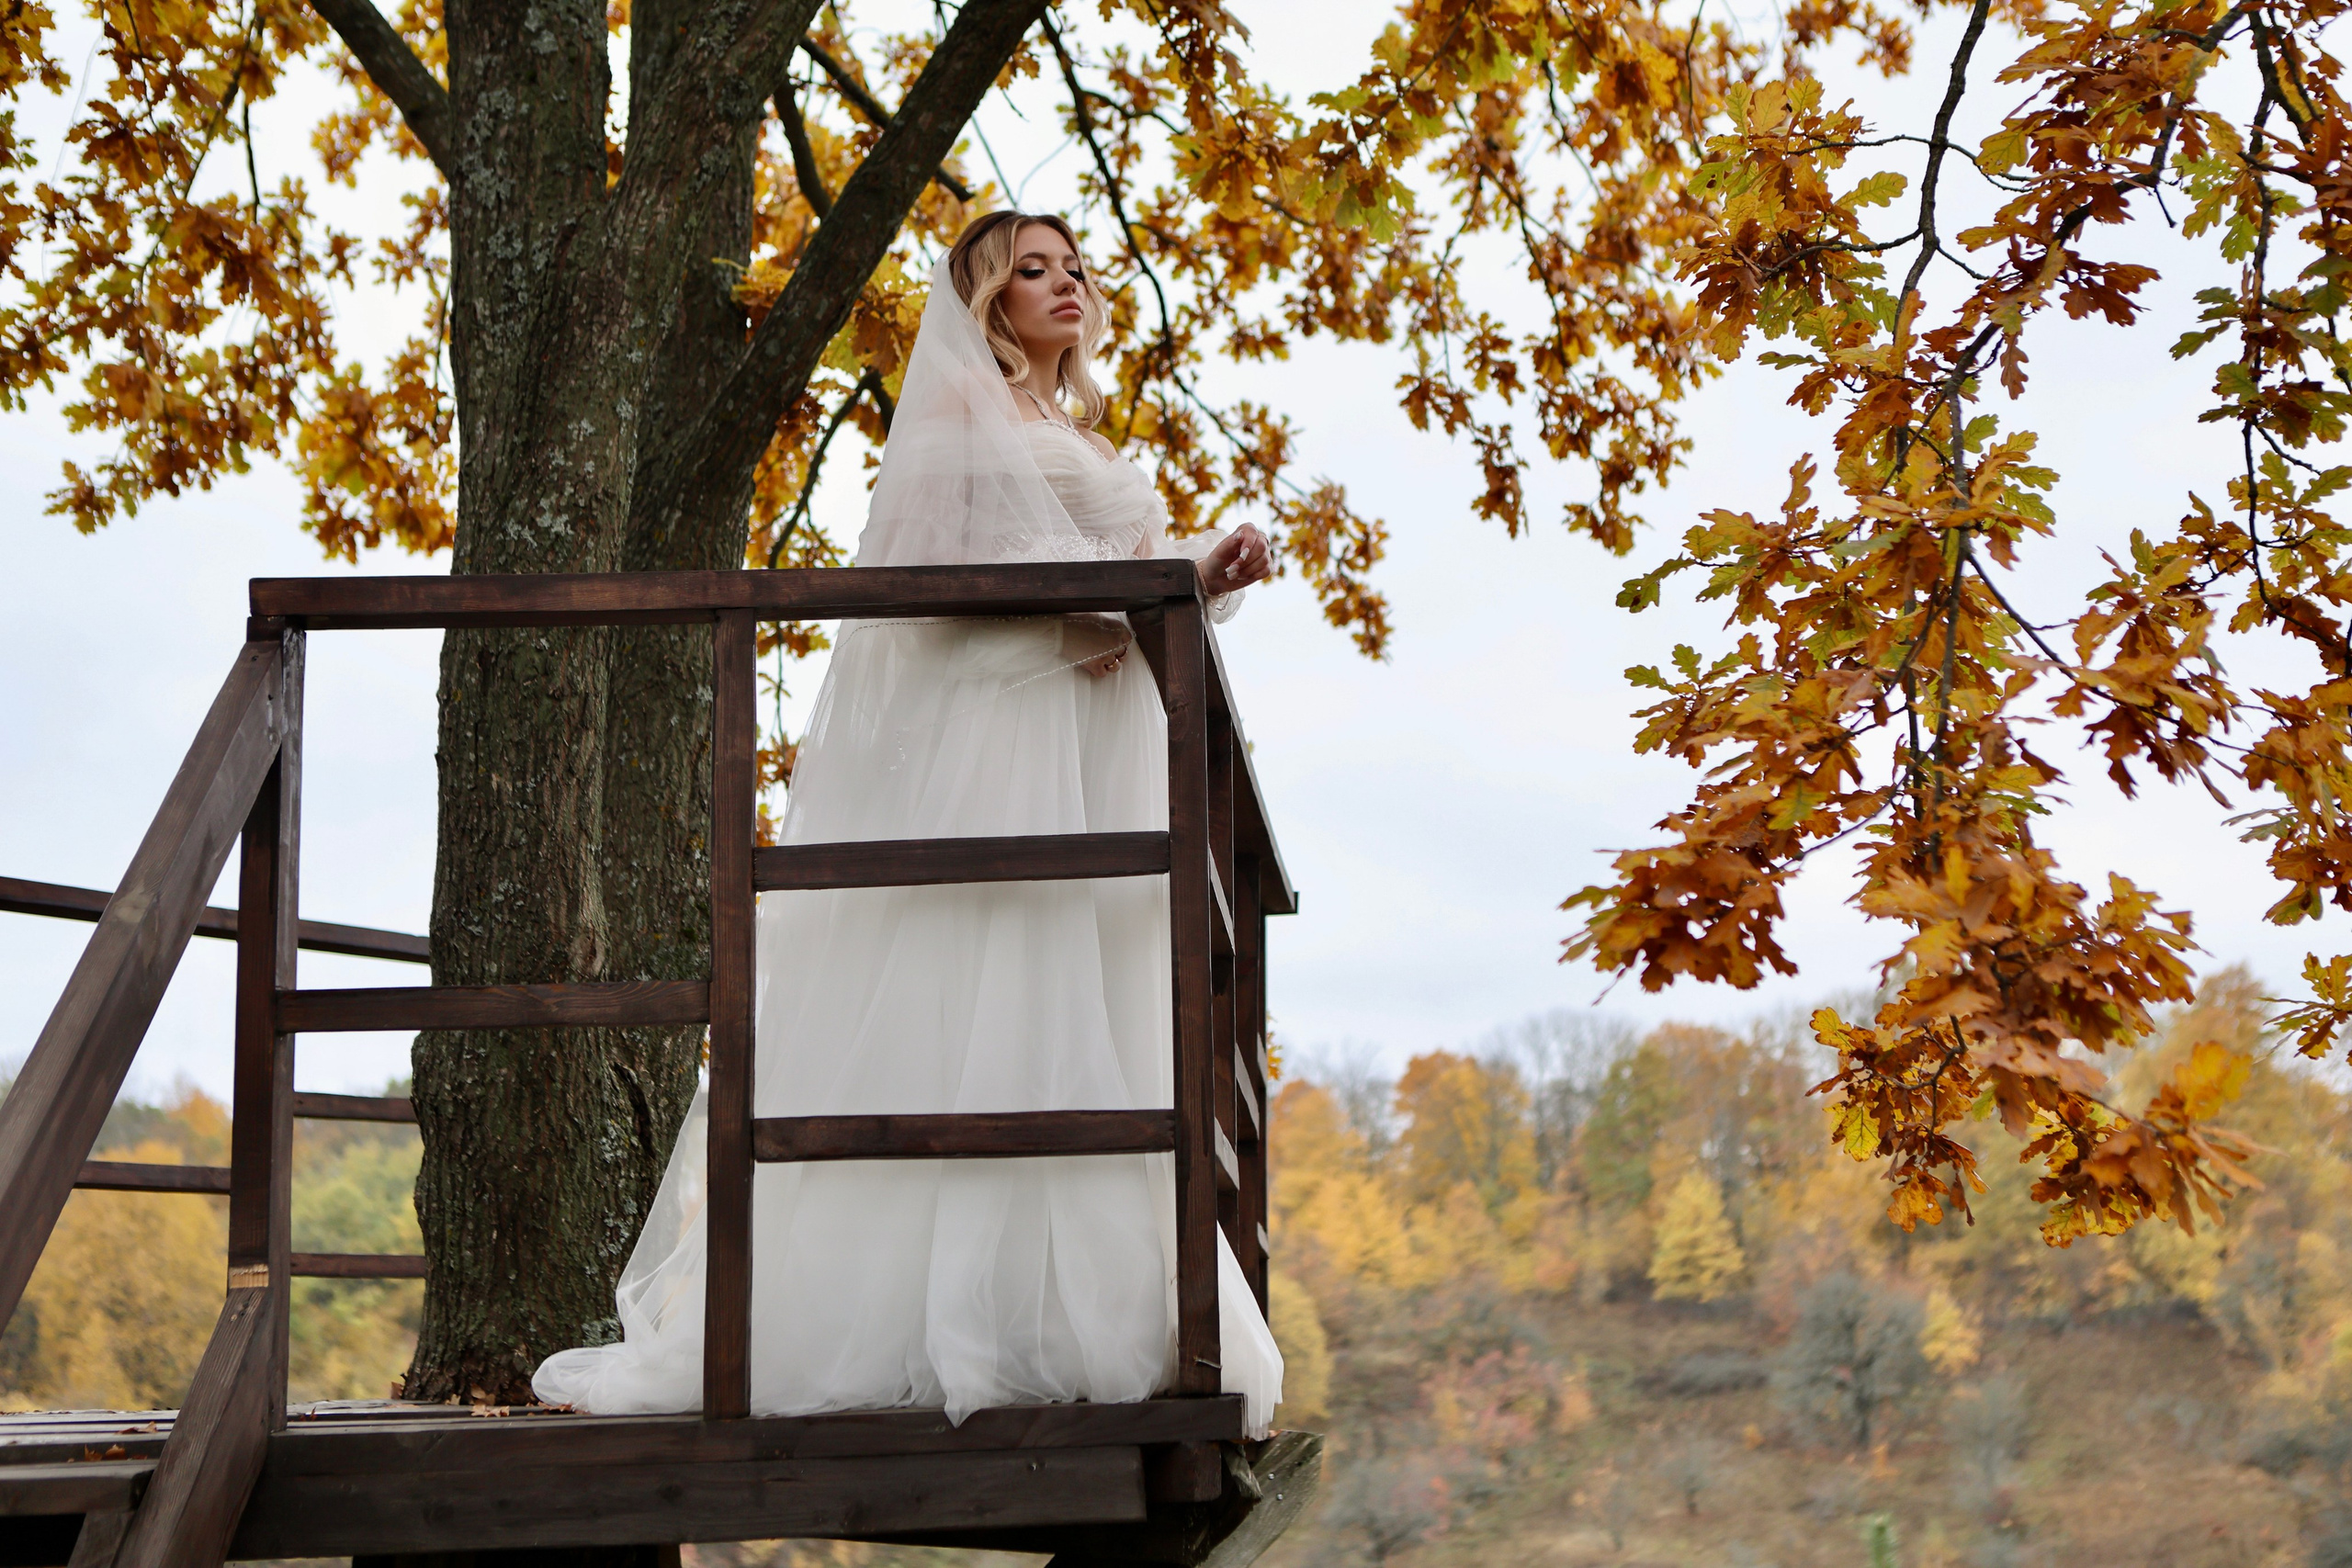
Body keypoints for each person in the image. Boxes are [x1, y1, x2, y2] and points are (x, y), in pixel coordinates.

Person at [531, 212, 1283, 1435]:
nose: (1064, 285)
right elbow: (935, 591)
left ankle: (1064, 1306)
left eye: (1073, 268)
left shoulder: (1078, 436)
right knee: (987, 981)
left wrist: (1206, 570)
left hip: (1096, 743)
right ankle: (937, 1315)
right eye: (1030, 271)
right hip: (1008, 734)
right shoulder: (951, 429)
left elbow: (1139, 580)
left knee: (1081, 1002)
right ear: (986, 303)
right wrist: (1113, 600)